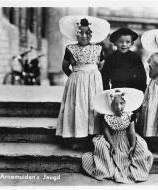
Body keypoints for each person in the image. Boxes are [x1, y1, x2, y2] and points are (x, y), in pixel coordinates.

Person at [56, 16, 110, 149]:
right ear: (76, 33)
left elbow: (102, 65)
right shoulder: (70, 49)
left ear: (92, 34)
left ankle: (92, 136)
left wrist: (93, 75)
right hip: (77, 81)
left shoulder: (98, 48)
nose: (84, 36)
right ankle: (76, 136)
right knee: (78, 107)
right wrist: (75, 77)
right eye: (81, 33)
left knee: (92, 107)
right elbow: (64, 67)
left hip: (93, 82)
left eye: (87, 33)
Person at [82, 88, 153, 184]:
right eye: (115, 104)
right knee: (101, 145)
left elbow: (131, 131)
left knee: (141, 146)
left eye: (121, 103)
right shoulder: (106, 116)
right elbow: (106, 132)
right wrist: (111, 144)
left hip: (126, 138)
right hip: (112, 138)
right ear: (110, 105)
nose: (119, 107)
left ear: (125, 103)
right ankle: (107, 168)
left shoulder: (129, 115)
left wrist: (132, 145)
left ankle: (137, 168)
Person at [101, 28, 147, 92]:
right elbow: (104, 77)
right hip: (117, 91)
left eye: (127, 42)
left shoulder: (135, 57)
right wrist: (108, 92)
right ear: (115, 43)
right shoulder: (111, 58)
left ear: (132, 43)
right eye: (120, 42)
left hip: (133, 90)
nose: (124, 44)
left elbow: (142, 76)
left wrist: (142, 91)